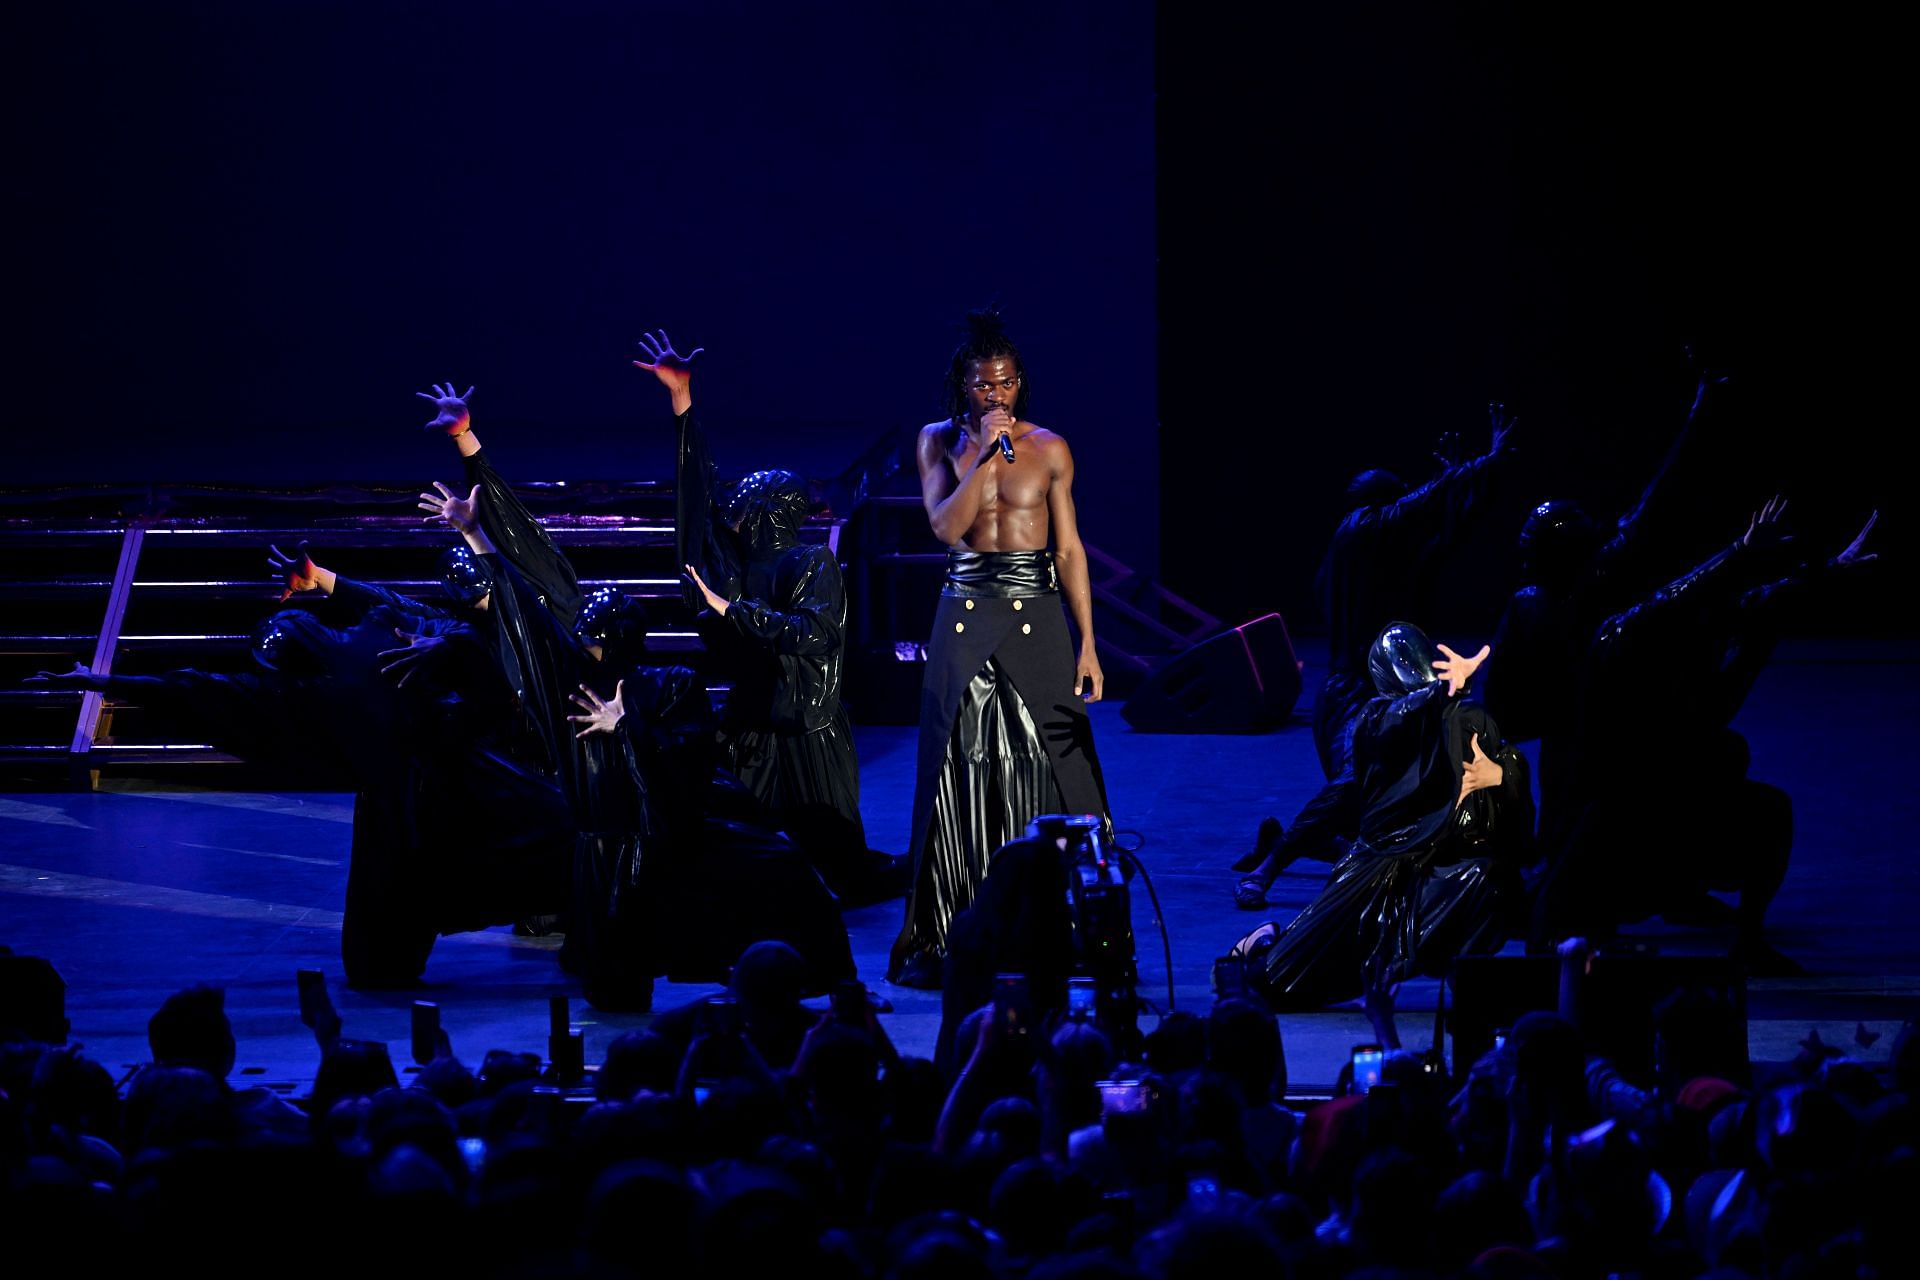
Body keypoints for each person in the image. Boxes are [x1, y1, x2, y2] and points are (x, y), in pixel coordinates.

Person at [420, 481, 854, 1006]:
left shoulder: (669, 685)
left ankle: (819, 981)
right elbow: (526, 614)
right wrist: (475, 533)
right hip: (602, 853)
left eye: (598, 638)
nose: (588, 645)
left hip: (663, 842)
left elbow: (690, 760)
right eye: (586, 638)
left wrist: (629, 726)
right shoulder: (571, 684)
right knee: (613, 980)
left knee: (780, 873)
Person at [633, 330, 902, 903]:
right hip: (753, 723)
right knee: (743, 848)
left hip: (806, 728)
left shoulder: (808, 563)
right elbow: (695, 494)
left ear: (771, 511)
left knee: (841, 869)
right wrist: (682, 402)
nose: (735, 505)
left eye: (749, 500)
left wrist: (736, 612)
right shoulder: (730, 561)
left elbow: (816, 634)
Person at [889, 309, 1113, 988]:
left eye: (1007, 383)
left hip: (1037, 606)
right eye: (985, 385)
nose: (997, 396)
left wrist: (1089, 646)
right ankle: (951, 924)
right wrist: (985, 459)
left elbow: (1069, 549)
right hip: (964, 606)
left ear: (1021, 382)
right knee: (951, 759)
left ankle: (1081, 924)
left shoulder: (1051, 447)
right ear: (964, 385)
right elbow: (945, 527)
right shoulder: (938, 441)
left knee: (1066, 759)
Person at [1233, 407, 1515, 908]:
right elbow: (1422, 506)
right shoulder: (1362, 528)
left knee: (1386, 814)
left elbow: (1453, 528)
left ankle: (1287, 842)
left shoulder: (1381, 558)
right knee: (1358, 785)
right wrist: (1483, 462)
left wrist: (1469, 483)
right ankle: (1269, 868)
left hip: (1371, 693)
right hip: (1355, 695)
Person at [1236, 623, 1534, 1034]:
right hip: (1379, 869)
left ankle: (1463, 987)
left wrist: (1497, 775)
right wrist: (1441, 692)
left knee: (1484, 880)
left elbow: (1511, 768)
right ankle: (1264, 941)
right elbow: (1402, 719)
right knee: (1277, 983)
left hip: (1437, 867)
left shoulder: (1465, 718)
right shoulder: (1374, 720)